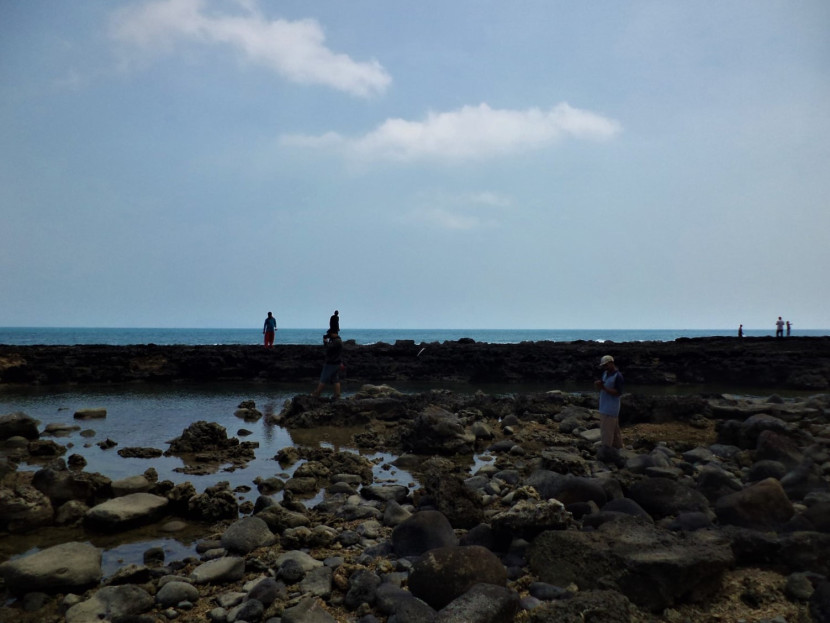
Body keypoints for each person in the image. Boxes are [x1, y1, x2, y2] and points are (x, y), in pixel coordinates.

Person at [594, 355, 623, 451]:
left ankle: (606, 450)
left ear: (611, 363)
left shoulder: (618, 376)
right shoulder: (605, 373)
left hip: (611, 408)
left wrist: (603, 388)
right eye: (603, 366)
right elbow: (604, 384)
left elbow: (618, 393)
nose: (604, 368)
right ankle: (618, 447)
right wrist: (600, 384)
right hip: (604, 405)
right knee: (614, 430)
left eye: (606, 365)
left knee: (606, 431)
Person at [312, 329, 343, 399]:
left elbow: (329, 348)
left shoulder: (336, 341)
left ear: (333, 333)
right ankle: (337, 395)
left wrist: (325, 342)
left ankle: (317, 393)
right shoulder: (338, 340)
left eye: (329, 333)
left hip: (331, 363)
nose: (329, 335)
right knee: (335, 379)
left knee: (323, 378)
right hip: (336, 362)